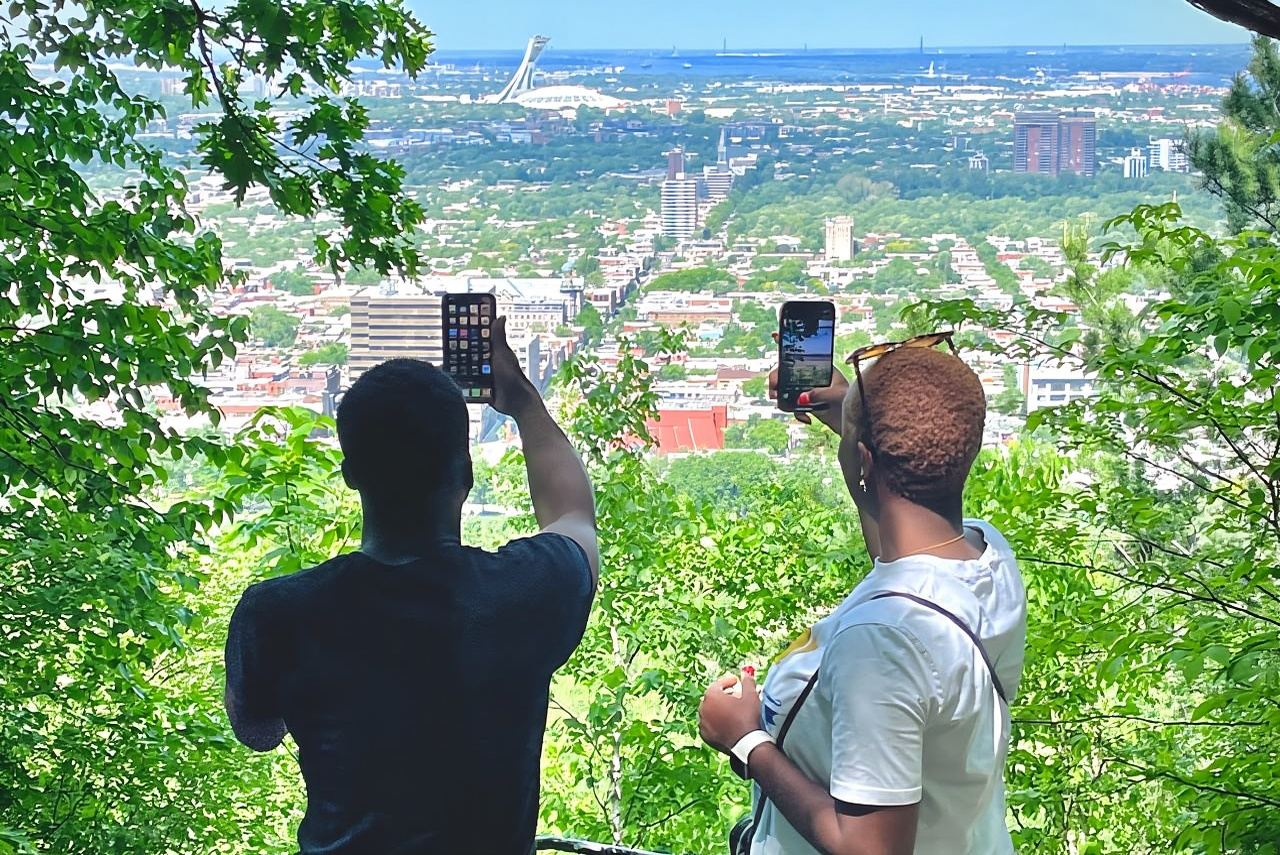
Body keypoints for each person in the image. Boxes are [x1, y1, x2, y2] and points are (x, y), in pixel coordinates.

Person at [224, 316, 599, 855]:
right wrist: (521, 401)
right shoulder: (525, 592)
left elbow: (256, 732)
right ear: (465, 472)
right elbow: (573, 516)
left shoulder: (277, 613)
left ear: (351, 473)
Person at [698, 338, 1027, 855]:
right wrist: (850, 416)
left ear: (866, 461)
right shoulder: (985, 557)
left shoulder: (882, 642)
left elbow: (868, 848)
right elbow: (903, 552)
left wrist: (745, 741)